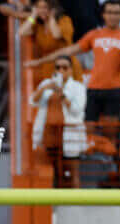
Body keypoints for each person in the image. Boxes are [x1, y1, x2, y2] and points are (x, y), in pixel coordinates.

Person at [27, 0, 120, 125]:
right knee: (88, 128)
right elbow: (69, 50)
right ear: (103, 14)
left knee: (110, 129)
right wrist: (40, 61)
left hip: (115, 88)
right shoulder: (95, 34)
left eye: (116, 13)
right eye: (110, 12)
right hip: (94, 87)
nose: (113, 16)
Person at [30, 55, 87, 188]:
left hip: (70, 136)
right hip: (50, 136)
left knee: (72, 173)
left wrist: (61, 93)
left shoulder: (78, 87)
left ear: (71, 70)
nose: (61, 70)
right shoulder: (46, 84)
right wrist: (45, 89)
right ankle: (56, 207)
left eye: (64, 67)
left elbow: (77, 110)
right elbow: (33, 101)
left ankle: (75, 206)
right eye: (58, 67)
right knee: (53, 174)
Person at [22, 0, 81, 84]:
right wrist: (33, 16)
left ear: (52, 8)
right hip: (48, 67)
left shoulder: (64, 20)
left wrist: (52, 17)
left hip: (65, 65)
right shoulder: (38, 25)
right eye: (39, 7)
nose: (42, 11)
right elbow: (22, 32)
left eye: (45, 7)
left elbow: (56, 35)